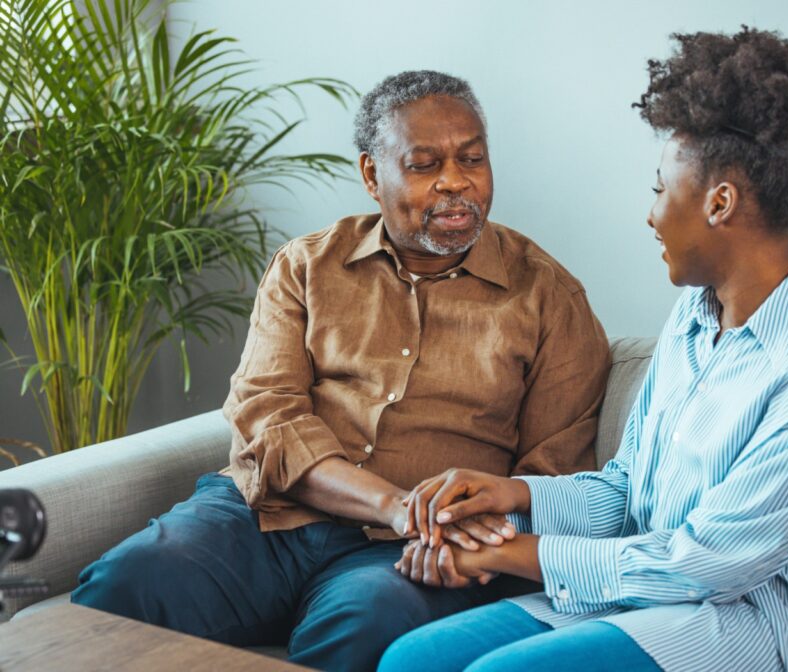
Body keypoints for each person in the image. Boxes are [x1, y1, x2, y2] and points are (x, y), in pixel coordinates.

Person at [382, 29, 788, 672]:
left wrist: (500, 552)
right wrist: (510, 497)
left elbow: (704, 565)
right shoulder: (692, 318)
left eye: (661, 189)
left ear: (720, 203)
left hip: (774, 633)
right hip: (648, 598)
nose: (651, 215)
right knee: (413, 660)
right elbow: (629, 492)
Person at [70, 70, 610, 671]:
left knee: (363, 625)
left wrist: (470, 537)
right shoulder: (305, 267)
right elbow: (269, 417)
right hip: (268, 518)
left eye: (473, 159)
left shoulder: (549, 296)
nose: (456, 182)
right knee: (123, 585)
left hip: (416, 547)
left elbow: (554, 474)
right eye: (425, 164)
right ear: (372, 175)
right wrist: (391, 503)